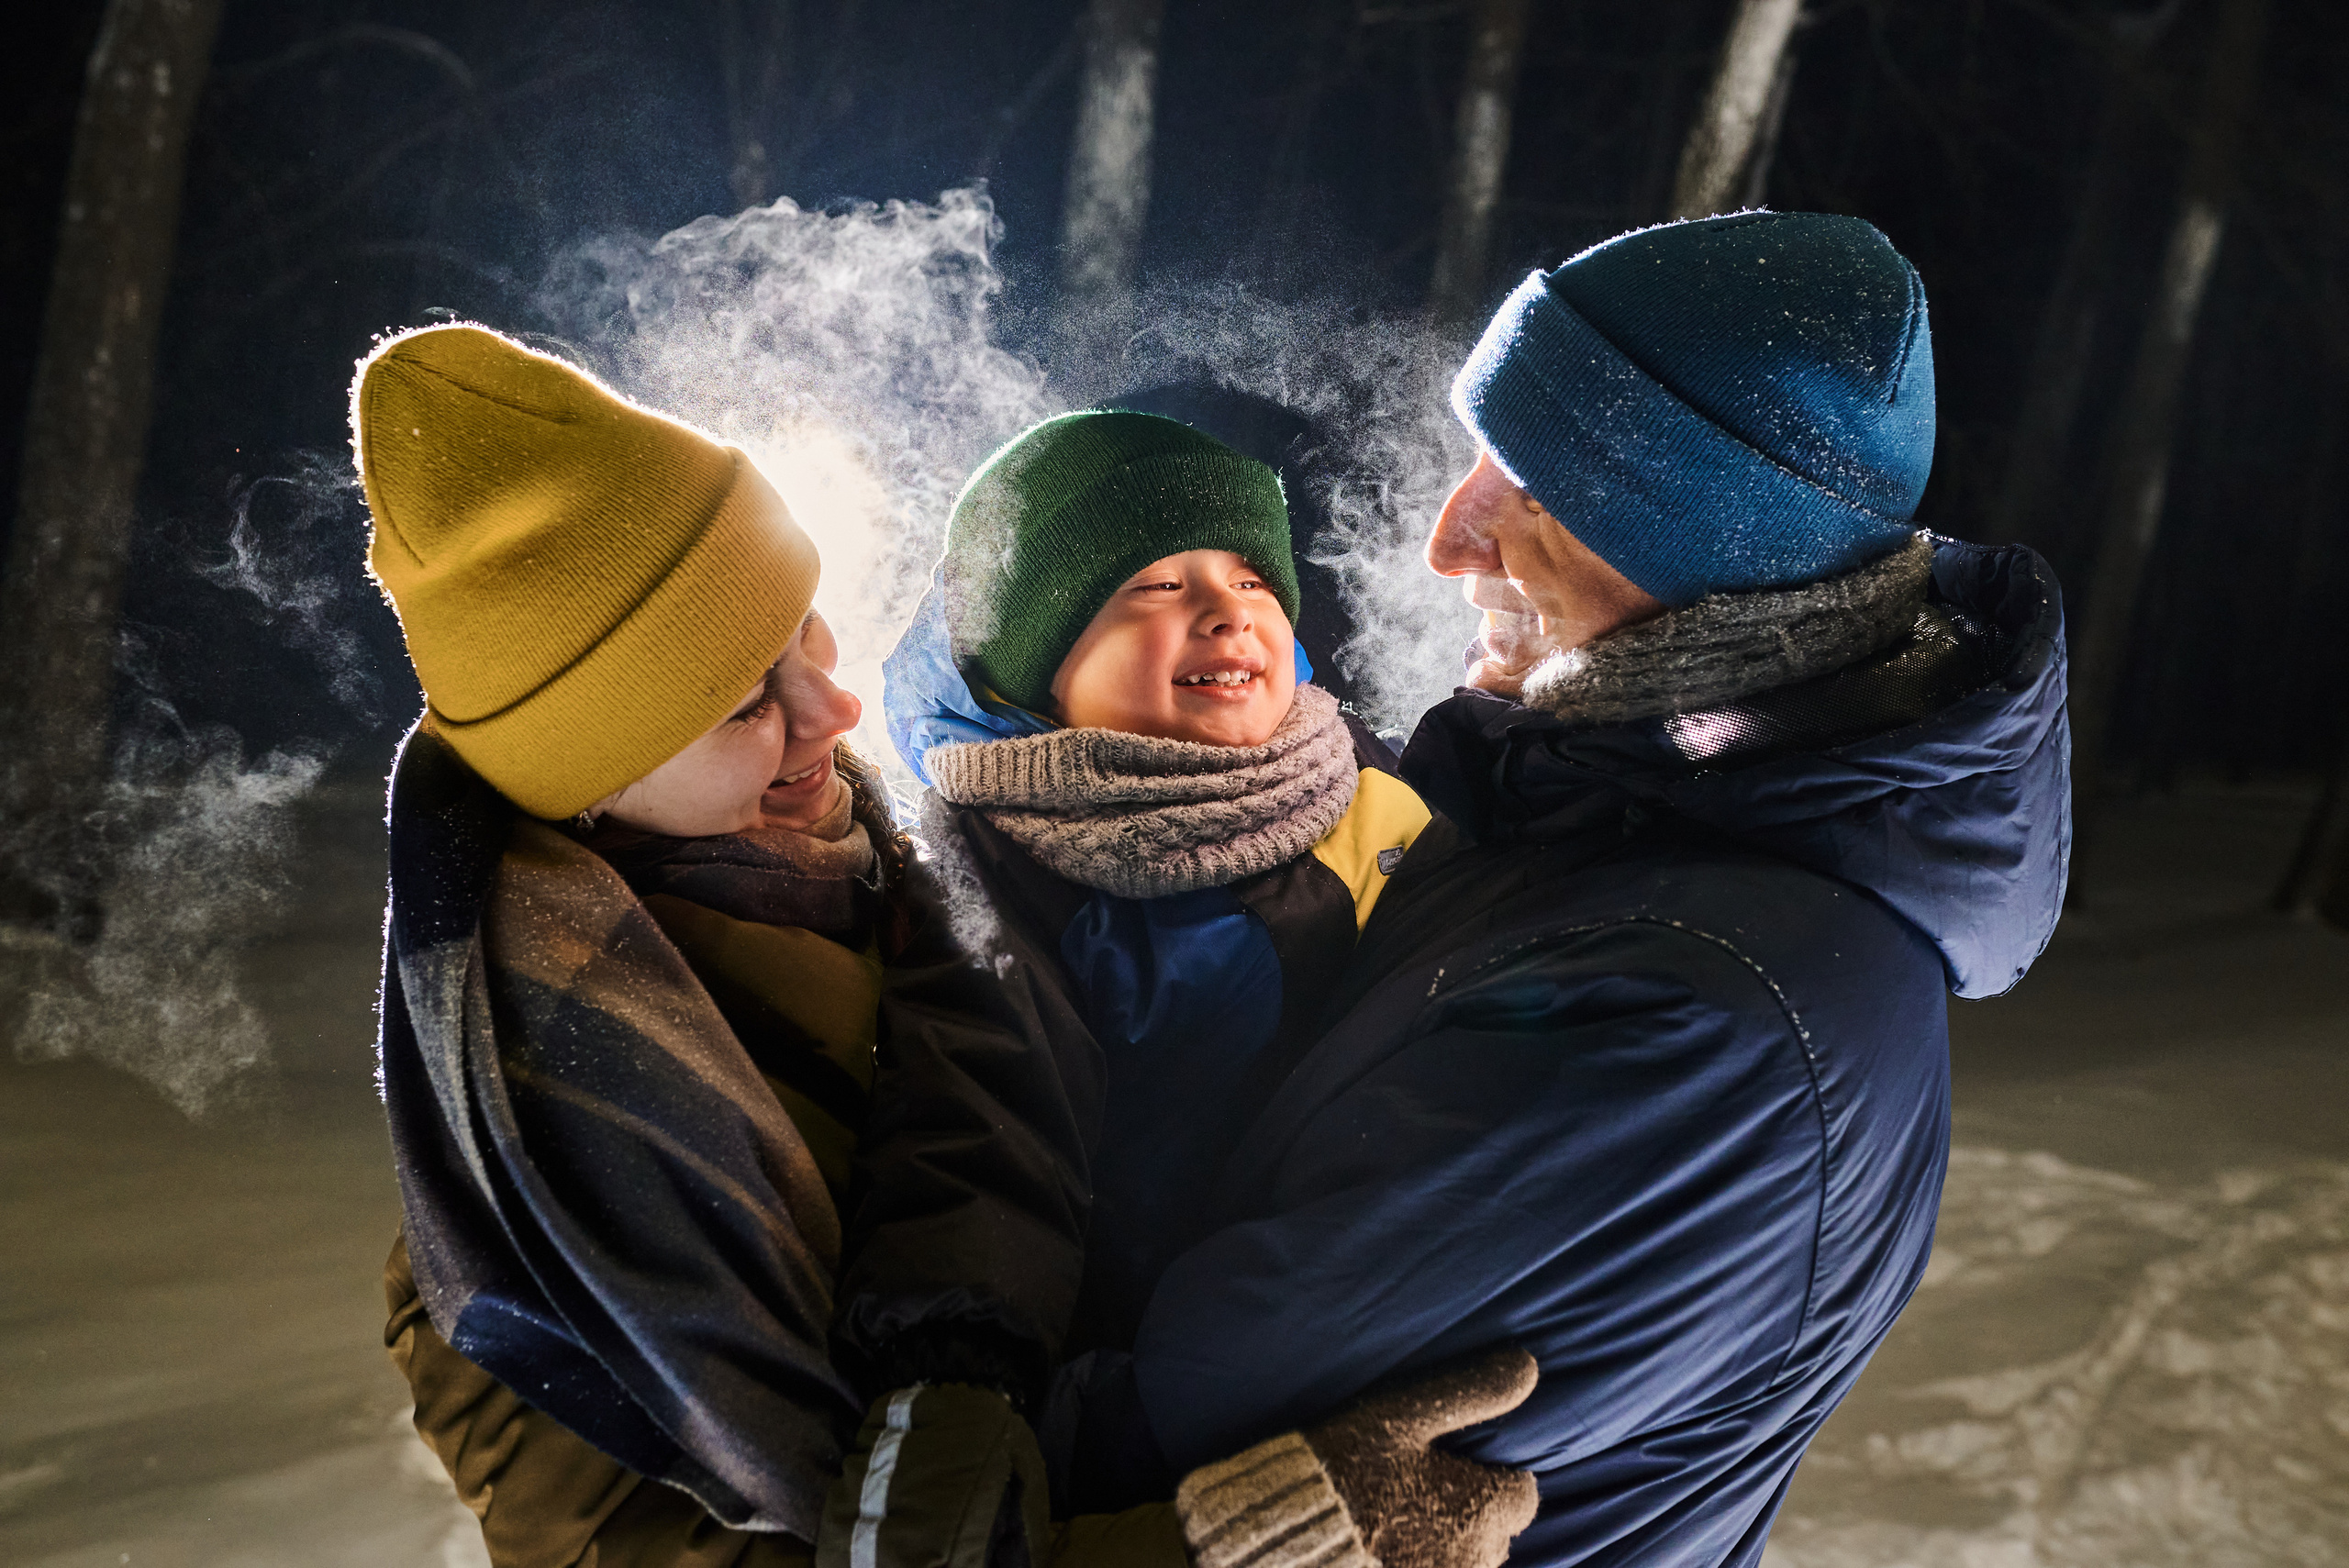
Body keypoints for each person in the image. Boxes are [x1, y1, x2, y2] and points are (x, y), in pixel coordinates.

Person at [355, 332, 1534, 1568]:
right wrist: (1232, 1549)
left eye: (807, 635)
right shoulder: (530, 1216)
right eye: (743, 703)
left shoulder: (959, 883)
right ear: (588, 781)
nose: (835, 707)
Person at [1080, 211, 2072, 1566]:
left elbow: (1162, 1405)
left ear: (1691, 544)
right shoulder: (1599, 829)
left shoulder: (1700, 1009)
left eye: (1532, 486)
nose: (1450, 538)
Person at [836, 409, 1539, 1565]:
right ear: (1038, 663)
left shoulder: (1379, 797)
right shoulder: (1004, 871)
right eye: (1156, 583)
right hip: (1139, 1377)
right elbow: (980, 1135)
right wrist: (952, 1380)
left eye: (1252, 573)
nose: (1228, 607)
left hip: (1355, 1300)